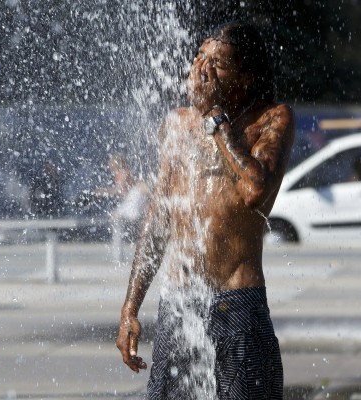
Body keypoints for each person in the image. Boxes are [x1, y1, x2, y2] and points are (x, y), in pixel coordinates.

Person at [116, 22, 295, 399]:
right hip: (178, 302)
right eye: (199, 56)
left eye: (218, 63)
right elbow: (159, 219)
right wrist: (131, 307)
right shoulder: (178, 125)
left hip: (238, 304)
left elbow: (253, 190)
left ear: (247, 76)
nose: (202, 69)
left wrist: (215, 118)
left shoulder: (271, 120)